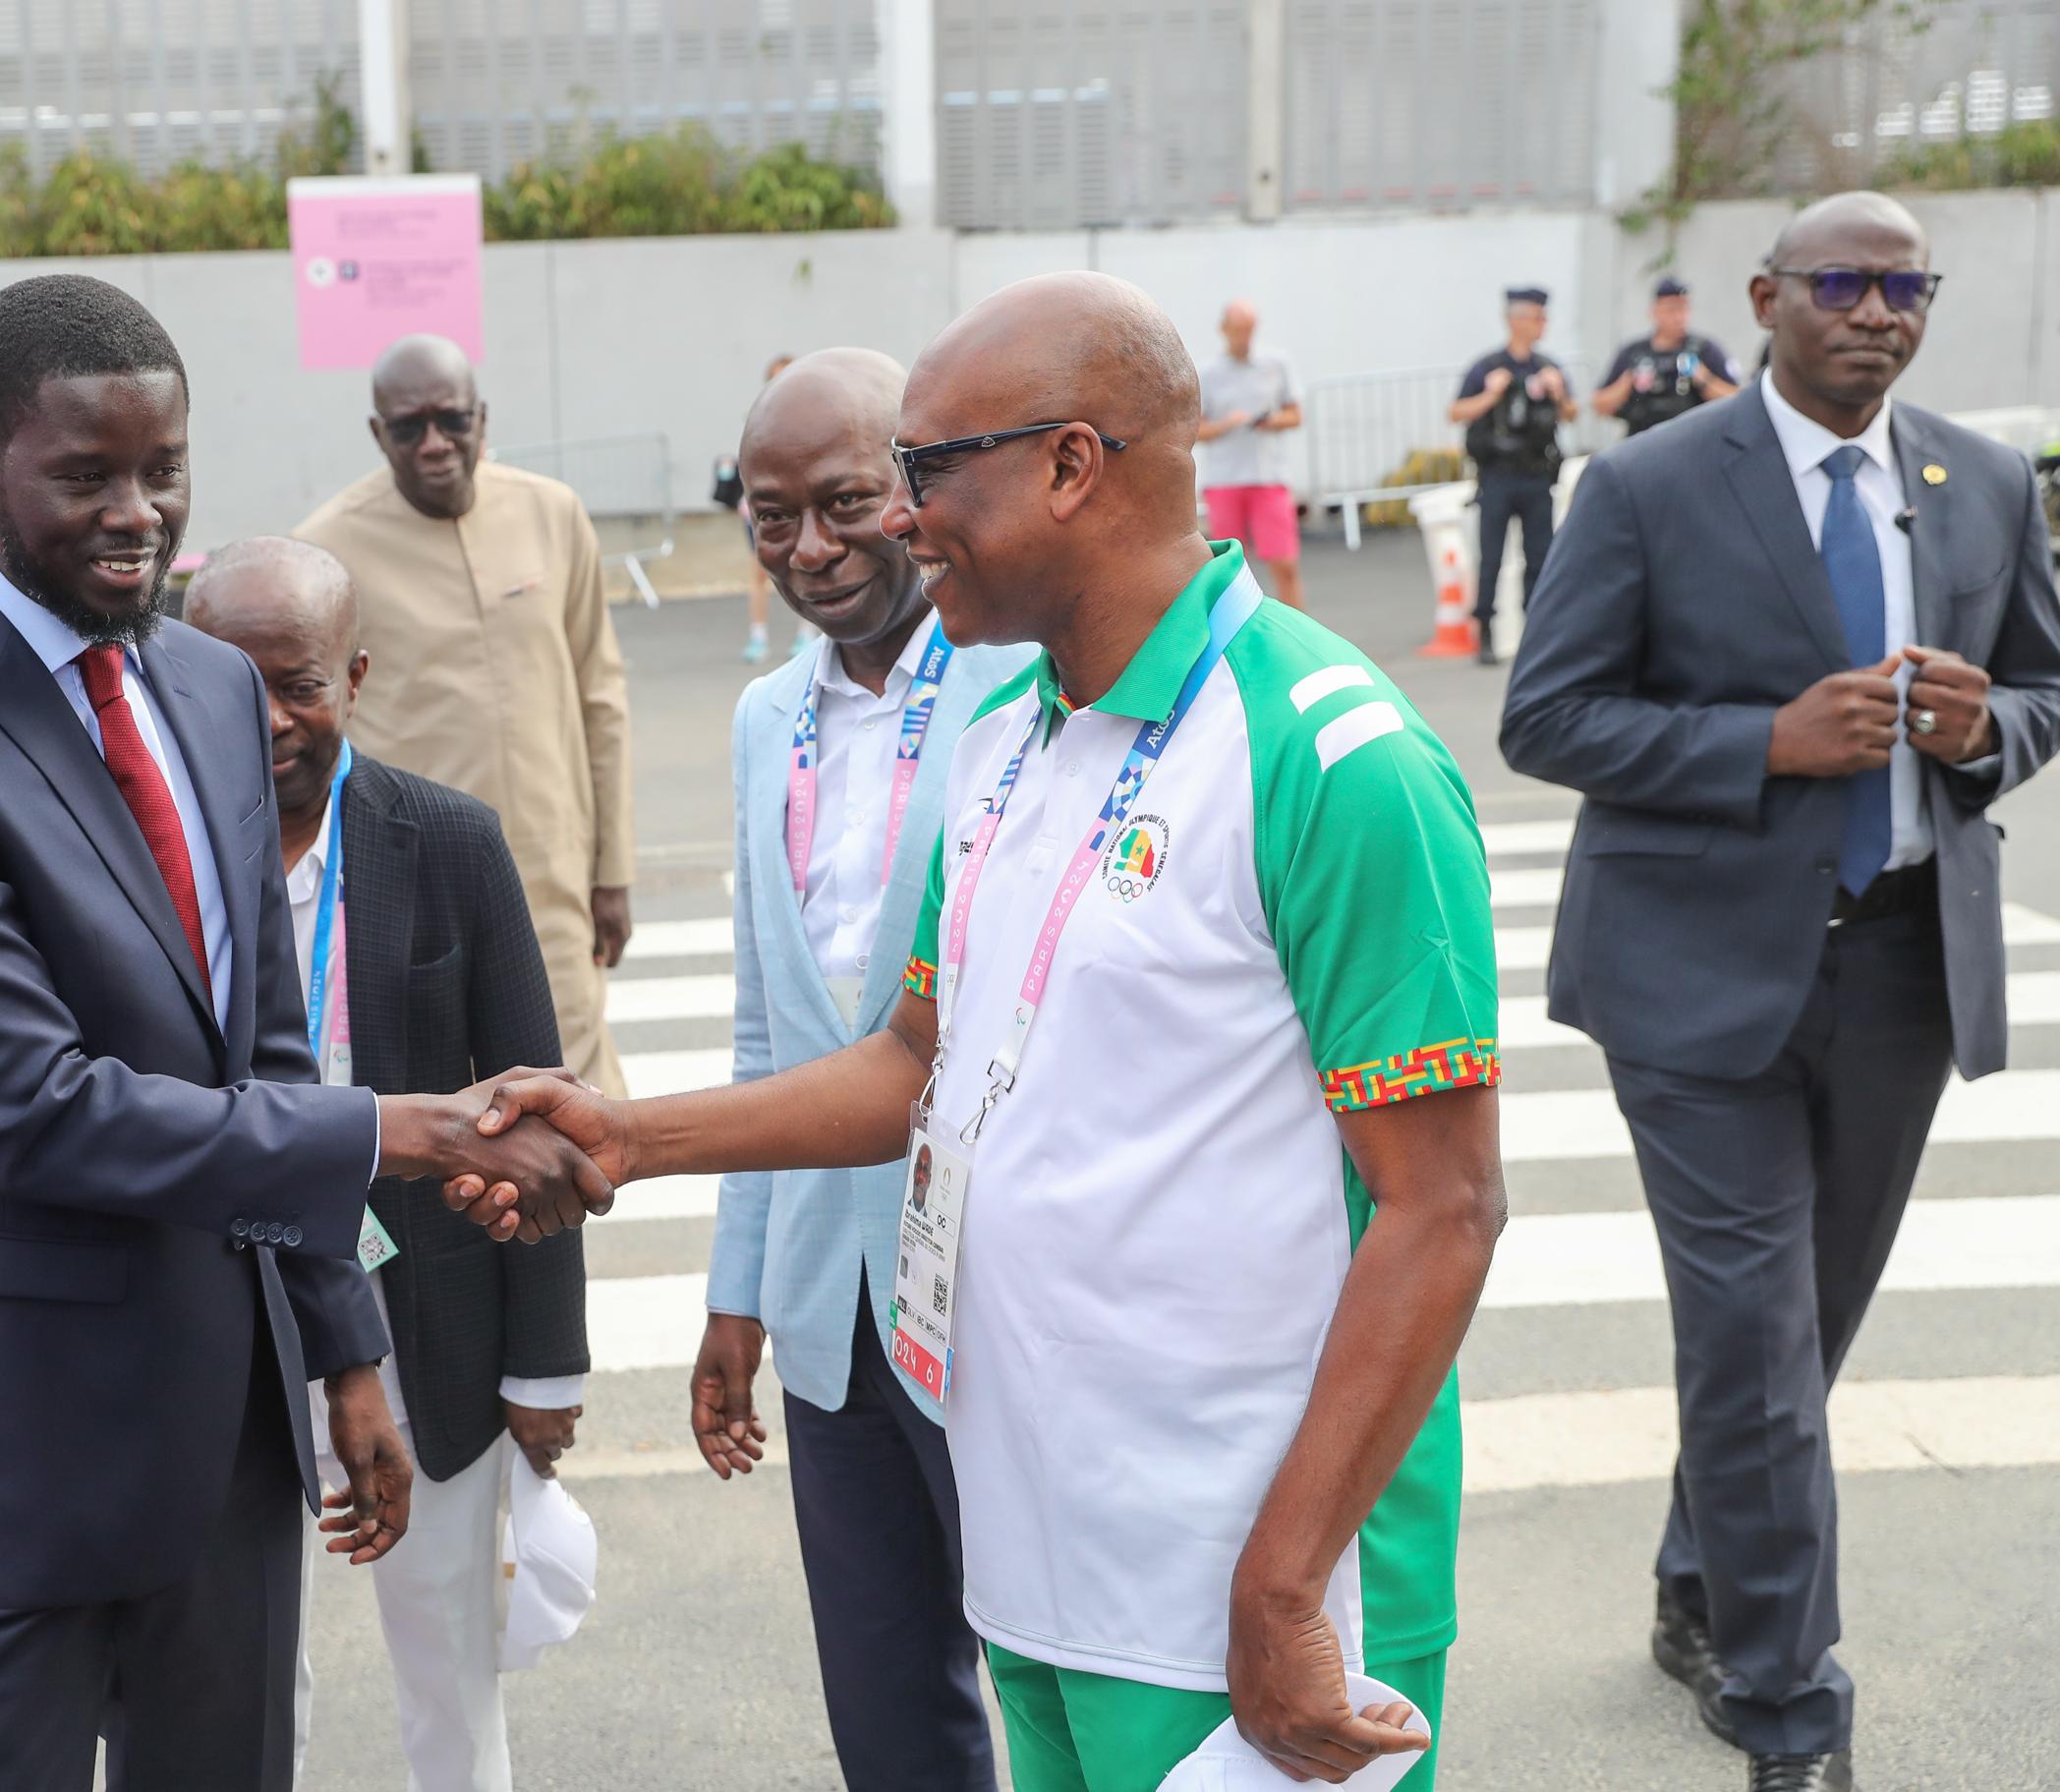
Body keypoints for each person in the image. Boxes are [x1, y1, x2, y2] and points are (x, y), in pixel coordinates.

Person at [454, 272, 1507, 1792]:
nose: (904, 518)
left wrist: (1282, 1587)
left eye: (929, 472)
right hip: (1042, 1553)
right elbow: (913, 1061)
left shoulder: (1335, 759)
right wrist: (633, 1135)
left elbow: (1444, 1205)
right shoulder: (1011, 745)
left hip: (1257, 1585)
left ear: (1075, 465)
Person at [0, 275, 607, 1791]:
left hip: (226, 1448)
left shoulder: (215, 686)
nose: (138, 512)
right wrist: (404, 1126)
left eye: (163, 470)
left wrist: (347, 1346)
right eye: (85, 473)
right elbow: (34, 1105)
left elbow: (263, 1047)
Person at [1502, 193, 2060, 1792]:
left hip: (1899, 970)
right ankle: (1792, 1710)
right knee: (1754, 1348)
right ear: (1768, 296)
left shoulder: (1985, 480)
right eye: (1843, 281)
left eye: (1905, 284)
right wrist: (1763, 741)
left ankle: (1701, 1579)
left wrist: (1979, 732)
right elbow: (1546, 718)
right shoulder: (1653, 480)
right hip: (1692, 982)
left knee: (1794, 1343)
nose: (1877, 308)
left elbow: (2041, 690)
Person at [184, 538, 592, 1792]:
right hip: (223, 1335)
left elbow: (537, 1108)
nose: (265, 717)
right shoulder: (150, 859)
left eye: (296, 680)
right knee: (234, 1692)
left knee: (448, 1685)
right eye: (225, 681)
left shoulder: (447, 842)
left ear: (354, 676)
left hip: (433, 1329)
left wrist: (544, 1361)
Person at [698, 346, 1030, 1791]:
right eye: (773, 516)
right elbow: (767, 1030)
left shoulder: (1026, 688)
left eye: (842, 502)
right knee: (889, 1704)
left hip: (1005, 1289)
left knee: (1048, 1668)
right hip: (831, 1302)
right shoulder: (764, 717)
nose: (810, 548)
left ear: (914, 488)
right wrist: (737, 1289)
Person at [296, 334, 636, 1097]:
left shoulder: (554, 515)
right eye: (409, 427)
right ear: (378, 434)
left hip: (551, 876)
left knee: (572, 1108)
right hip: (412, 888)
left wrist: (612, 873)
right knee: (439, 1105)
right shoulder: (323, 555)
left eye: (452, 419)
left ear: (482, 417)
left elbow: (600, 700)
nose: (435, 444)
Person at [1449, 286, 1576, 665]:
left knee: (1540, 557)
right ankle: (1485, 629)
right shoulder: (1487, 367)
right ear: (1516, 320)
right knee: (1492, 556)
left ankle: (1537, 633)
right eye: (1536, 317)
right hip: (1498, 476)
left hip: (1537, 474)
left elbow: (1571, 414)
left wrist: (1559, 393)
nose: (1542, 325)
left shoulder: (1547, 367)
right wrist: (1490, 395)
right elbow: (1456, 412)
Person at [1194, 301, 1304, 610]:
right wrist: (1227, 424)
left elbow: (1295, 415)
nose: (1244, 336)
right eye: (1238, 330)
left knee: (1285, 563)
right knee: (1232, 570)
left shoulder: (1276, 363)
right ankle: (1234, 634)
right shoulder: (1208, 372)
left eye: (1249, 329)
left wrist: (1269, 421)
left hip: (1269, 475)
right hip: (1225, 479)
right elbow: (1195, 430)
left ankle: (1297, 631)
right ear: (1223, 330)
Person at [1593, 276, 1742, 437]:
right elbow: (1599, 405)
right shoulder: (1634, 353)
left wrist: (1704, 380)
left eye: (1684, 308)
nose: (1679, 317)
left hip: (1692, 440)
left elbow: (1737, 400)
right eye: (1671, 309)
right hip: (1642, 440)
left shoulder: (1704, 350)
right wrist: (1629, 381)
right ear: (1654, 311)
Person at [739, 352, 798, 664]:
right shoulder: (758, 419)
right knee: (759, 573)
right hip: (765, 511)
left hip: (801, 508)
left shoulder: (813, 417)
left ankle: (809, 635)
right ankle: (758, 636)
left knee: (809, 567)